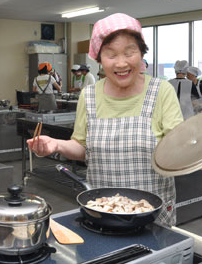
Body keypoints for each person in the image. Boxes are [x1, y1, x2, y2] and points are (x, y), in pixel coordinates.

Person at [28, 13, 183, 226]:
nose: (121, 63)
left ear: (141, 54)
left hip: (152, 216)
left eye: (130, 52)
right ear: (99, 59)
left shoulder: (161, 91)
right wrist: (57, 145)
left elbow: (179, 145)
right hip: (102, 212)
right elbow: (82, 147)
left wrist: (200, 153)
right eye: (111, 55)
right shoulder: (89, 95)